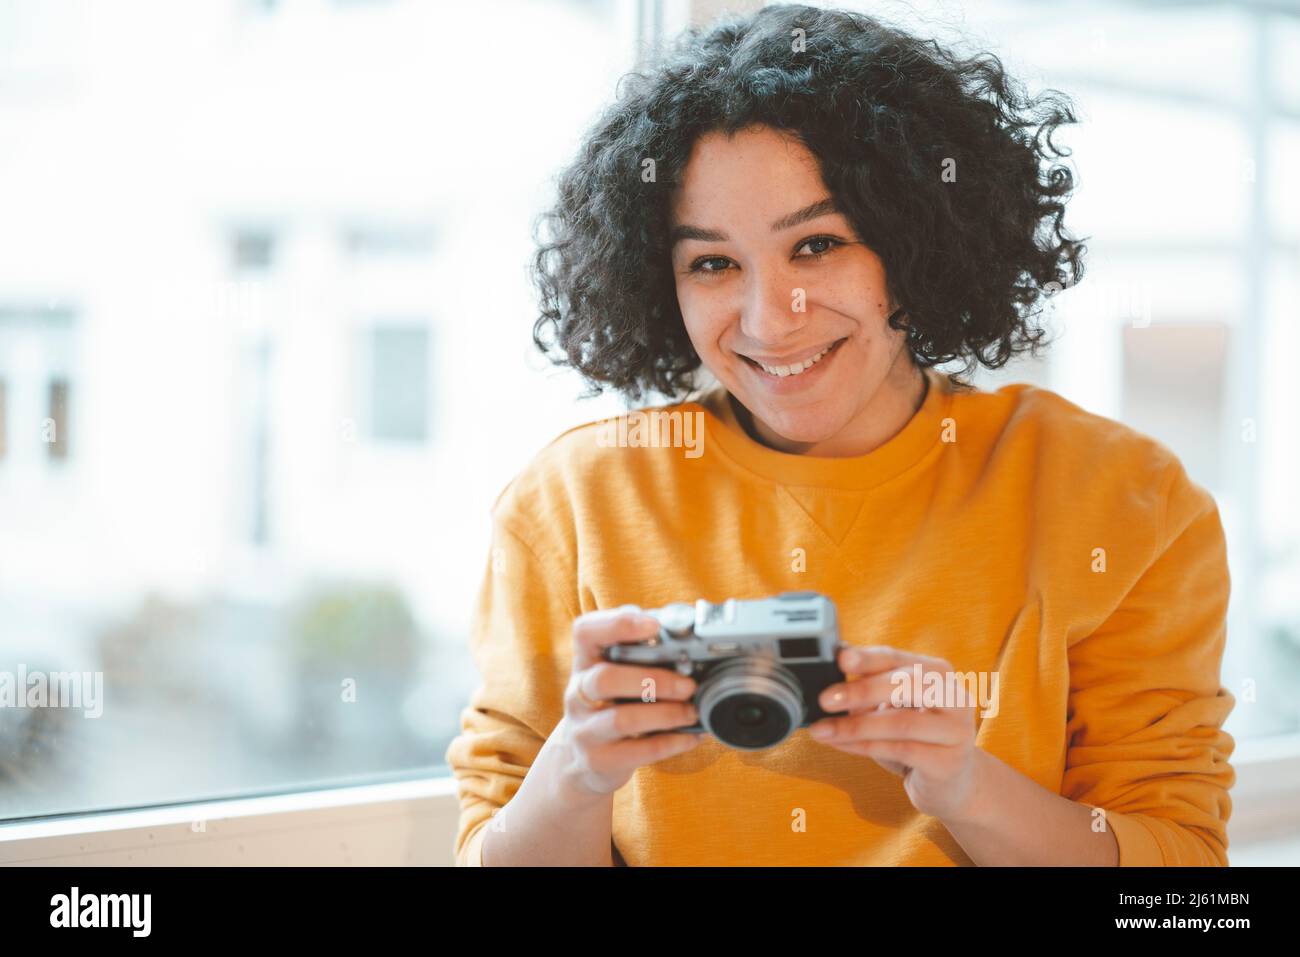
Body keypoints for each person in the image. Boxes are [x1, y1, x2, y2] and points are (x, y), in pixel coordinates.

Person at [444, 3, 1235, 866]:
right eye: (712, 262)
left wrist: (967, 784)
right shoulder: (572, 505)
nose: (768, 319)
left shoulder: (1121, 497)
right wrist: (575, 773)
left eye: (817, 244)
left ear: (916, 241)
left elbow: (1184, 894)